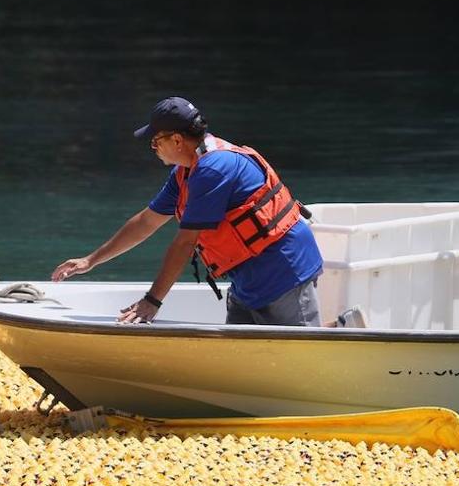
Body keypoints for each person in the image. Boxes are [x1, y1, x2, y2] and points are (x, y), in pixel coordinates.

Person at [51, 97, 324, 326]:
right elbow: (147, 222)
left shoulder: (214, 168)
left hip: (285, 272)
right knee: (241, 358)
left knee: (302, 356)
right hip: (247, 280)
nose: (153, 147)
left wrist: (153, 300)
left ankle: (345, 329)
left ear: (178, 140)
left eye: (156, 140)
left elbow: (185, 242)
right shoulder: (185, 173)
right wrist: (91, 260)